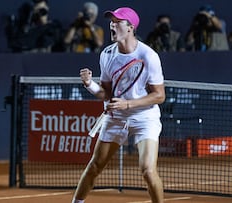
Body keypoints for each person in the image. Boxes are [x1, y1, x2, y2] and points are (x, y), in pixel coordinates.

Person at [73, 7, 165, 203]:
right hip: (116, 117)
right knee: (95, 166)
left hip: (144, 118)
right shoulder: (107, 55)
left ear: (130, 27)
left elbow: (159, 96)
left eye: (118, 22)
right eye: (111, 21)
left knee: (148, 171)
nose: (112, 25)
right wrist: (89, 84)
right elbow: (105, 93)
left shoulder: (149, 56)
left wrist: (128, 104)